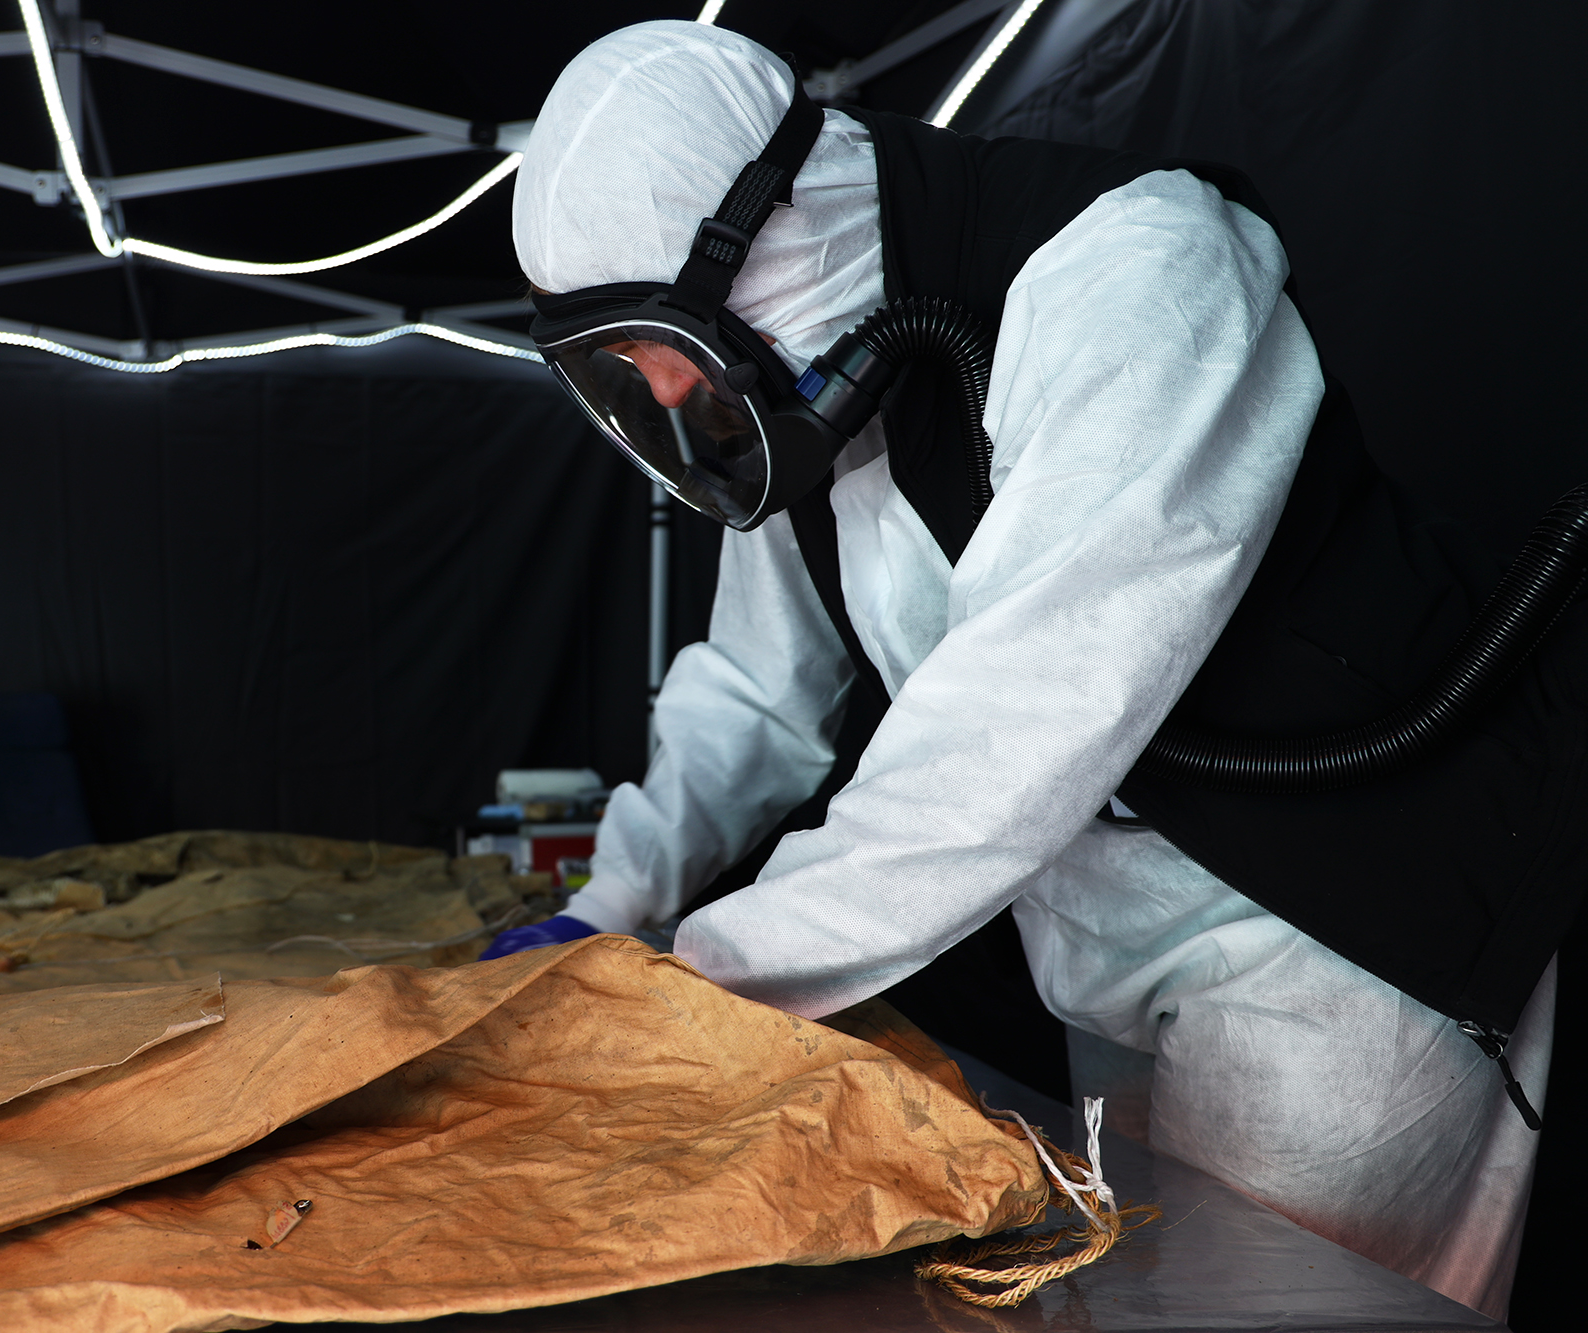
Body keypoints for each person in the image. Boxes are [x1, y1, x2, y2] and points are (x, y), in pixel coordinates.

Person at [485, 20, 1576, 1319]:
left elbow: (1024, 720)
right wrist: (609, 905)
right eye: (616, 365)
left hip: (1332, 947)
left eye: (658, 332)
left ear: (772, 221)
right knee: (1115, 1303)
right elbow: (754, 689)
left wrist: (684, 983)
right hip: (1108, 961)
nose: (664, 386)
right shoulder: (815, 402)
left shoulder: (1136, 269)